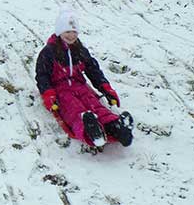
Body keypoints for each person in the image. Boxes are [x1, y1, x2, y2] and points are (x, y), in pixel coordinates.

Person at [35, 8, 133, 147]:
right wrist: (48, 94)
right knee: (74, 109)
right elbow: (42, 75)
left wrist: (106, 89)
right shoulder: (48, 52)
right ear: (59, 31)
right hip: (61, 89)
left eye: (74, 32)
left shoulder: (79, 49)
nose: (71, 35)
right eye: (67, 31)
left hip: (80, 86)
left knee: (95, 104)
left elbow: (93, 70)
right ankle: (90, 130)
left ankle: (116, 127)